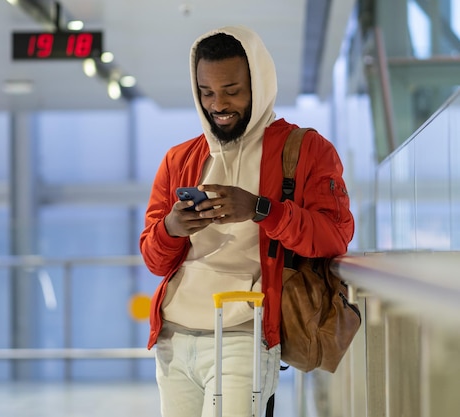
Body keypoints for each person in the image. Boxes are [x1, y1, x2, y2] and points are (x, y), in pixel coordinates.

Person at [139, 25, 354, 417]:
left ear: (260, 82)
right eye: (206, 92)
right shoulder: (179, 159)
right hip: (173, 337)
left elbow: (335, 236)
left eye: (232, 90)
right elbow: (154, 260)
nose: (218, 104)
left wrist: (260, 209)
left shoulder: (306, 150)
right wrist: (172, 228)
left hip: (243, 332)